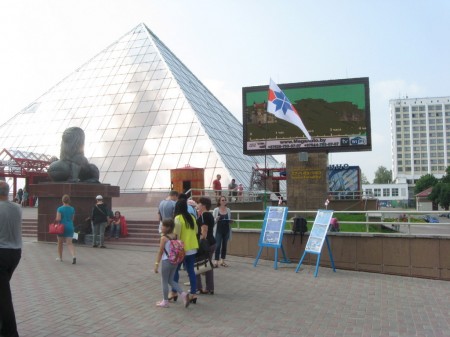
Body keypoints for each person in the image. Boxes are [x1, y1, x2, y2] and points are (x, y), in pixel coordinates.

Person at [0, 181, 22, 337]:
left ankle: (10, 332)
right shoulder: (17, 208)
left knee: (4, 296)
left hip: (0, 252)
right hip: (15, 253)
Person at [154, 218, 189, 308]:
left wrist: (156, 264)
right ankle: (183, 294)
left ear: (168, 227)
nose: (161, 227)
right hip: (175, 261)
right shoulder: (175, 236)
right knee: (170, 280)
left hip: (166, 261)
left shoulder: (164, 238)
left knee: (164, 281)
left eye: (163, 226)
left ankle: (165, 302)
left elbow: (160, 252)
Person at [171, 199, 199, 304]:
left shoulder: (178, 218)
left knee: (175, 270)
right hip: (192, 248)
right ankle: (193, 293)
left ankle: (173, 292)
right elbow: (196, 231)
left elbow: (175, 235)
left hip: (181, 249)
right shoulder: (192, 217)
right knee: (191, 271)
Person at [195, 197, 216, 295]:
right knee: (208, 265)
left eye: (199, 203)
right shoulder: (210, 215)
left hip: (205, 244)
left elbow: (204, 230)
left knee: (199, 265)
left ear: (203, 205)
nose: (197, 205)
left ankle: (199, 287)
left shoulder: (204, 215)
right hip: (212, 242)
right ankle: (209, 288)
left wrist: (200, 241)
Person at [55, 194, 76, 264]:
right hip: (70, 226)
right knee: (70, 243)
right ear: (69, 201)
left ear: (62, 200)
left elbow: (58, 219)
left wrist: (56, 220)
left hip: (61, 227)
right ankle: (73, 256)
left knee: (60, 243)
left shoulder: (60, 209)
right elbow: (72, 219)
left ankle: (60, 258)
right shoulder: (72, 209)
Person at [213, 196, 233, 268]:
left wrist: (230, 221)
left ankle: (222, 261)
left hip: (226, 230)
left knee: (224, 246)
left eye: (225, 200)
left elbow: (229, 219)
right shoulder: (216, 210)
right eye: (222, 200)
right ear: (219, 201)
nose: (224, 201)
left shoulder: (228, 210)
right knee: (218, 245)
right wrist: (216, 219)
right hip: (218, 230)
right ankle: (216, 261)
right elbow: (213, 221)